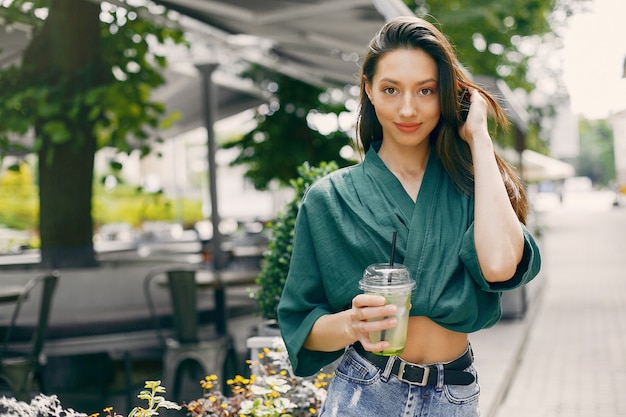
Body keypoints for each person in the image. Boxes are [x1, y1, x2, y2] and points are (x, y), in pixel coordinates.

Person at [277, 15, 541, 417]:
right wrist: (353, 324)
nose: (407, 108)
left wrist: (480, 139)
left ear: (447, 94)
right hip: (365, 391)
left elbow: (501, 266)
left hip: (453, 394)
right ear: (368, 89)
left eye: (426, 91)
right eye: (390, 89)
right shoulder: (329, 198)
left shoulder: (473, 187)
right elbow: (301, 325)